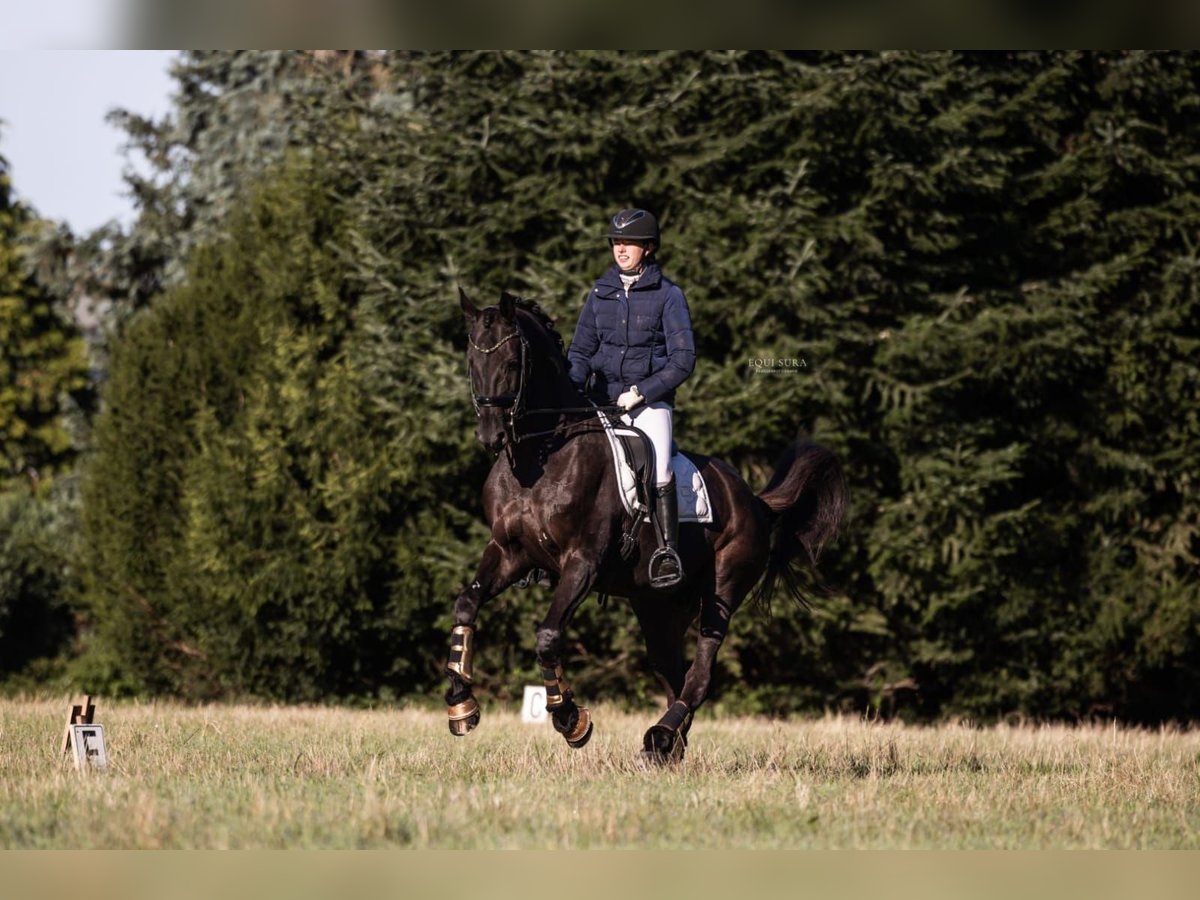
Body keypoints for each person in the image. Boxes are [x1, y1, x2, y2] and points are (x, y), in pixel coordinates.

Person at [567, 208, 696, 588]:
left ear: (649, 248)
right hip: (600, 401)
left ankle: (667, 551)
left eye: (630, 243)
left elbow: (683, 359)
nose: (621, 249)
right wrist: (574, 386)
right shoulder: (599, 291)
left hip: (648, 404)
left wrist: (642, 393)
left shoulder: (668, 296)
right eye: (616, 242)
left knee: (658, 466)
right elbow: (580, 352)